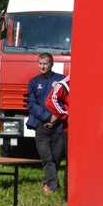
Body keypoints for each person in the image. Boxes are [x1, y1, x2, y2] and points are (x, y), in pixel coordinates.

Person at [27, 53, 66, 193]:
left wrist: (56, 117)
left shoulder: (61, 80)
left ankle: (47, 182)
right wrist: (47, 117)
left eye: (45, 64)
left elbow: (66, 102)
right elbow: (31, 104)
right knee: (47, 157)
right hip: (41, 125)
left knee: (56, 157)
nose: (42, 66)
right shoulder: (33, 82)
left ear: (52, 64)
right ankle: (55, 188)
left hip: (59, 126)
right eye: (40, 63)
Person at [44, 75, 71, 200]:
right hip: (71, 130)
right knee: (72, 164)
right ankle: (69, 196)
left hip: (91, 129)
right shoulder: (66, 83)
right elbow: (50, 100)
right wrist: (66, 115)